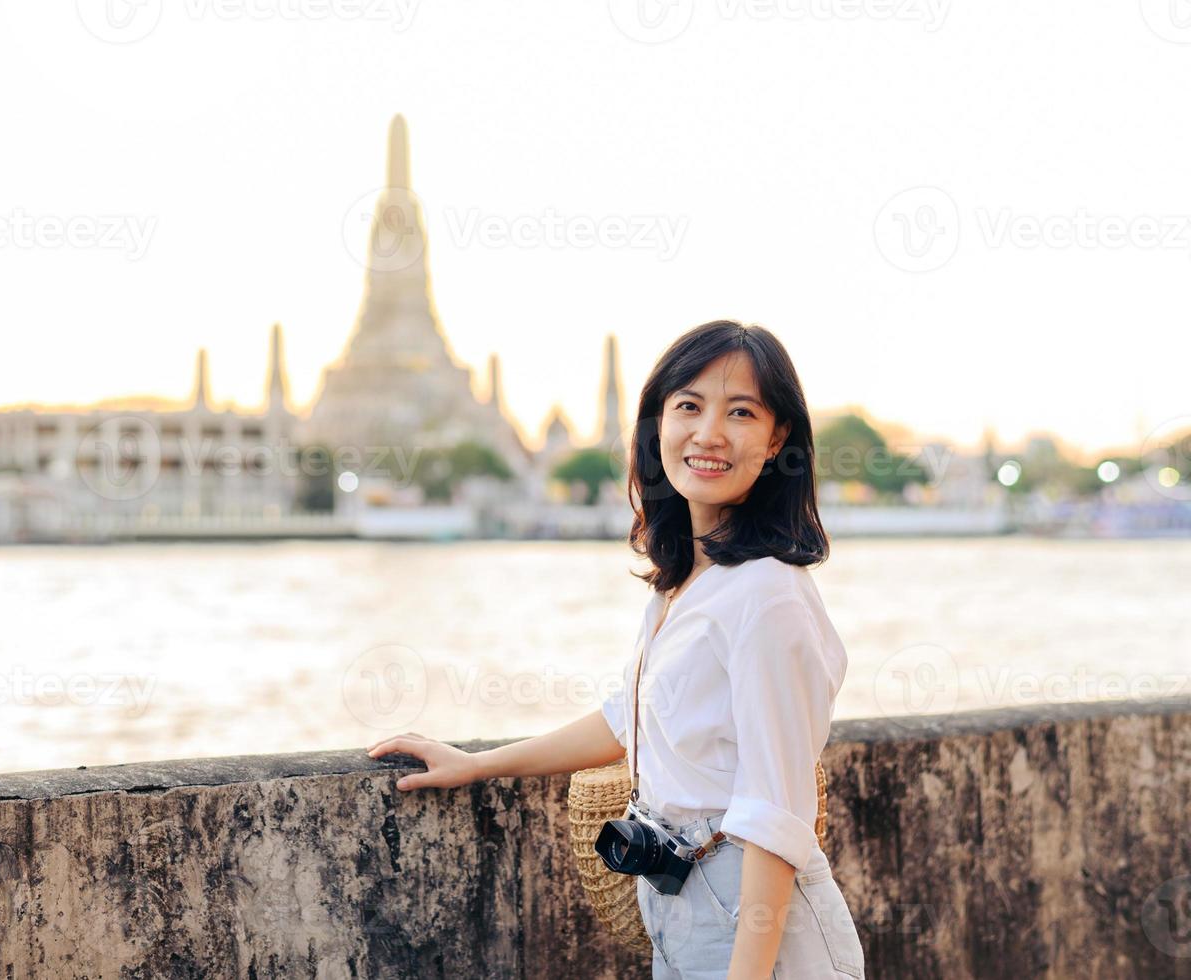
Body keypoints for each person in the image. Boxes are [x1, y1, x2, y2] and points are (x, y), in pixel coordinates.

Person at [368, 320, 867, 978]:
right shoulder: (685, 584)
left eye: (740, 412)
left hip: (755, 922)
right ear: (656, 424)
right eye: (688, 406)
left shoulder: (766, 595)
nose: (709, 433)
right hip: (681, 896)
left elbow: (776, 814)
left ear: (777, 440)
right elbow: (627, 720)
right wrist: (479, 764)